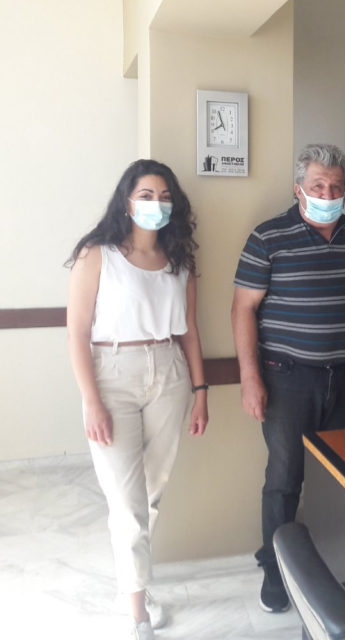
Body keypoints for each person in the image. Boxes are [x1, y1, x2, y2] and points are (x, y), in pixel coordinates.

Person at [231, 143, 345, 614]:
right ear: (299, 187)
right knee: (284, 480)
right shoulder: (268, 237)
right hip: (287, 380)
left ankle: (327, 568)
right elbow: (242, 309)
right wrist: (249, 378)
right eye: (318, 185)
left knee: (336, 480)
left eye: (336, 187)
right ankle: (277, 573)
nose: (328, 194)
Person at [66, 159, 209, 640]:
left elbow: (190, 331)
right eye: (146, 195)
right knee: (125, 502)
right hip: (112, 374)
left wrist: (201, 391)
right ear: (126, 202)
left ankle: (136, 585)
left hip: (169, 372)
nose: (155, 204)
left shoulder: (179, 260)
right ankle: (137, 616)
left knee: (151, 492)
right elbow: (76, 333)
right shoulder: (97, 255)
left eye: (164, 196)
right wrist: (91, 401)